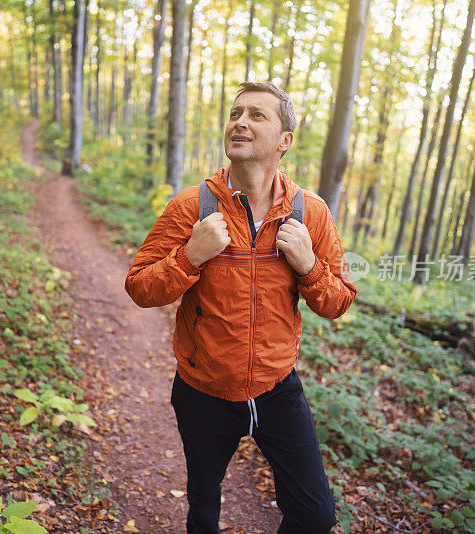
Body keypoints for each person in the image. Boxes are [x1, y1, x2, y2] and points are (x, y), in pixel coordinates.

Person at [124, 81, 357, 534]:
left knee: (315, 516)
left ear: (284, 141)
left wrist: (309, 267)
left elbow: (339, 300)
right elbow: (139, 286)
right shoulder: (193, 206)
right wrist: (190, 256)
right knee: (204, 507)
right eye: (235, 114)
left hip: (277, 389)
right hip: (202, 390)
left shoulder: (311, 213)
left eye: (256, 115)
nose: (240, 122)